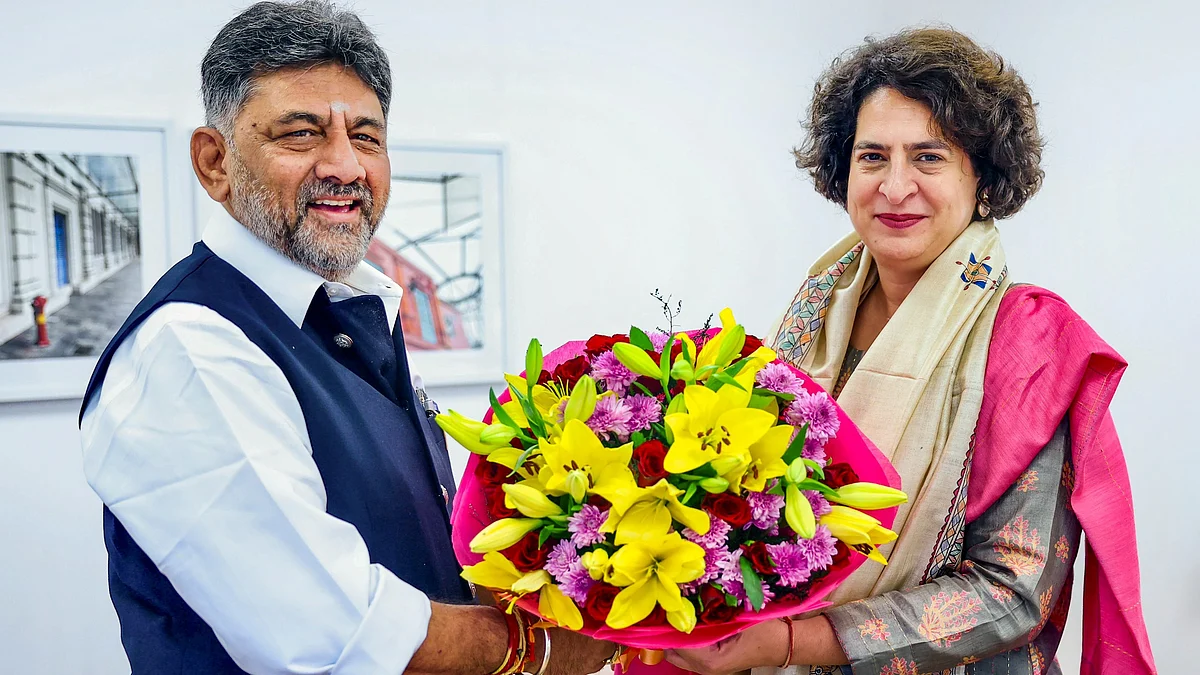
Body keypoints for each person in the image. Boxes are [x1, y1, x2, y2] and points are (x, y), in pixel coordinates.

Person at [78, 2, 615, 673]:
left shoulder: (353, 309)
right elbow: (335, 632)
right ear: (215, 162)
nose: (345, 165)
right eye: (300, 134)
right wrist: (541, 647)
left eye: (366, 137)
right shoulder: (190, 349)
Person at [663, 28, 1156, 675]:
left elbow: (1010, 594)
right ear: (843, 173)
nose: (895, 187)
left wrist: (789, 644)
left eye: (928, 157)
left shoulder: (1027, 338)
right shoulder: (812, 314)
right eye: (873, 157)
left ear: (983, 176)